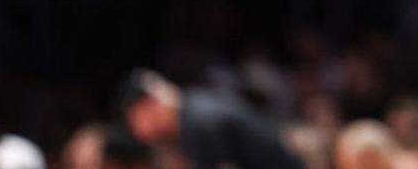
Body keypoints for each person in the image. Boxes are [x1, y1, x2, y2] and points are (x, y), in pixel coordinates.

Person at [116, 68, 304, 169]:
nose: (138, 132)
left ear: (150, 105)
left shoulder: (199, 123)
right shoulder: (193, 111)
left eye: (135, 121)